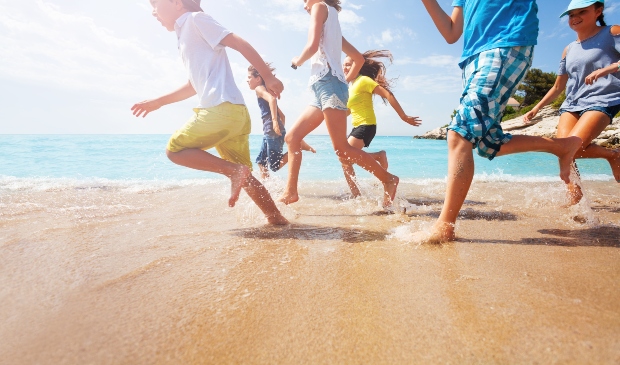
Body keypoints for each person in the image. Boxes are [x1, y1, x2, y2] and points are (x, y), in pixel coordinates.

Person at [420, 0, 583, 242]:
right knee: (489, 144)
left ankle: (445, 227)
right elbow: (451, 32)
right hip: (471, 58)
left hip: (506, 44)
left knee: (460, 132)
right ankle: (560, 146)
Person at [131, 0, 288, 225]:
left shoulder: (195, 20)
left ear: (177, 3)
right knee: (245, 175)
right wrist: (159, 102)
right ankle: (276, 219)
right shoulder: (184, 35)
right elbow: (192, 85)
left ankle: (233, 172)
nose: (153, 10)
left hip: (220, 110)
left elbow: (239, 43)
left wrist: (269, 76)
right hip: (236, 115)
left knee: (174, 151)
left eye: (155, 3)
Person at [278, 0, 400, 207]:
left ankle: (389, 179)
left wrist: (296, 61)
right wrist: (345, 80)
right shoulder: (333, 20)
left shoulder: (320, 7)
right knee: (292, 137)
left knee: (342, 150)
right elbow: (358, 59)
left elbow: (312, 45)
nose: (305, 6)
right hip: (323, 87)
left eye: (305, 0)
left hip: (329, 85)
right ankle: (291, 192)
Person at [523, 0, 620, 204]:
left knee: (571, 147)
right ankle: (575, 200)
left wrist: (607, 69)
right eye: (571, 15)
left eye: (582, 12)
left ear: (598, 11)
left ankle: (611, 157)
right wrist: (536, 108)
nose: (575, 18)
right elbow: (558, 87)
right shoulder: (568, 49)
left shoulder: (612, 32)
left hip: (603, 99)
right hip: (572, 103)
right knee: (562, 149)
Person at [340, 50, 422, 197]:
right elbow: (350, 110)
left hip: (366, 125)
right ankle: (357, 193)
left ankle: (386, 180)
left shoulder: (364, 80)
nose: (344, 68)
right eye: (343, 65)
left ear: (356, 66)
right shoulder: (351, 86)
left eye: (348, 64)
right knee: (345, 159)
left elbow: (387, 94)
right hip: (357, 126)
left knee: (345, 154)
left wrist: (403, 116)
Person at [246, 64, 316, 180]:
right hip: (270, 130)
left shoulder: (259, 88)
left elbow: (272, 100)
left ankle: (298, 146)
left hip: (270, 130)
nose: (247, 80)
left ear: (258, 78)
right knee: (261, 162)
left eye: (249, 77)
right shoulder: (263, 89)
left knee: (275, 165)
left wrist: (274, 122)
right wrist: (280, 129)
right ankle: (267, 186)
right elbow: (282, 115)